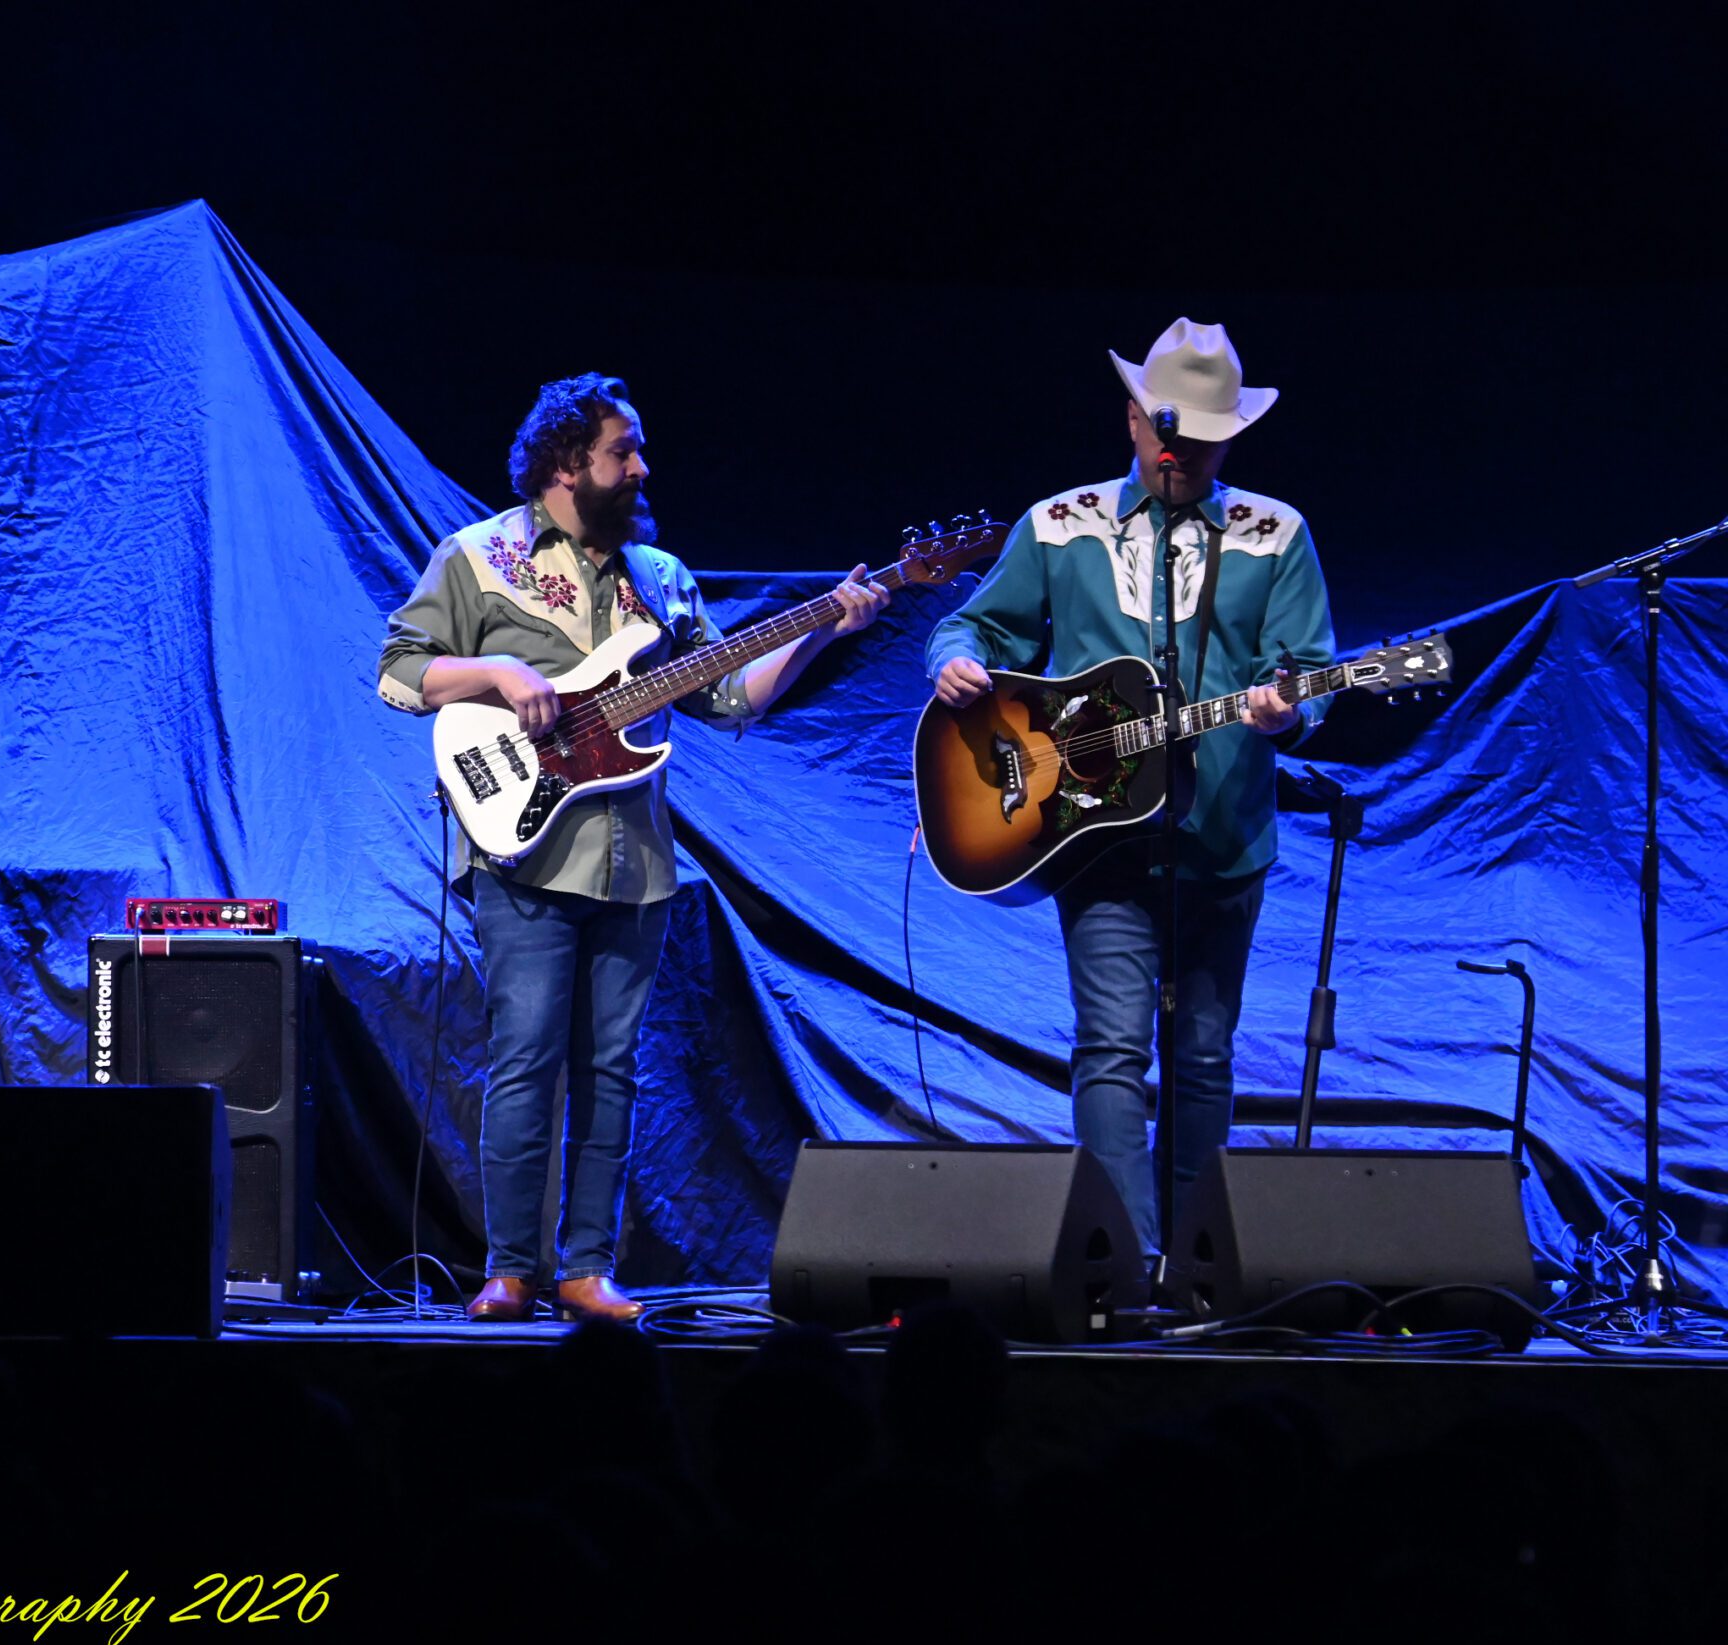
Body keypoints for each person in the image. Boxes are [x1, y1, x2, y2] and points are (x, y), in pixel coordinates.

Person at [379, 373, 887, 1322]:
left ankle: (586, 1268)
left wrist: (823, 629)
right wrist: (498, 669)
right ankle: (510, 1268)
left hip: (634, 860)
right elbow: (401, 672)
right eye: (624, 450)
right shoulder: (478, 556)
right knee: (525, 1058)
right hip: (522, 853)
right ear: (568, 463)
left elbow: (727, 698)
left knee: (610, 1069)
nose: (643, 467)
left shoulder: (660, 577)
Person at [924, 319, 1337, 1254]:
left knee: (1203, 1057)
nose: (1182, 454)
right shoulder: (1058, 524)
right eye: (1169, 432)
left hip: (1222, 838)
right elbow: (976, 626)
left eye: (1206, 439)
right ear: (1134, 420)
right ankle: (1127, 1267)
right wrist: (951, 659)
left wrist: (1289, 711)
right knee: (1111, 1050)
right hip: (1095, 840)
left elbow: (1307, 670)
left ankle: (1194, 1269)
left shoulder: (1276, 534)